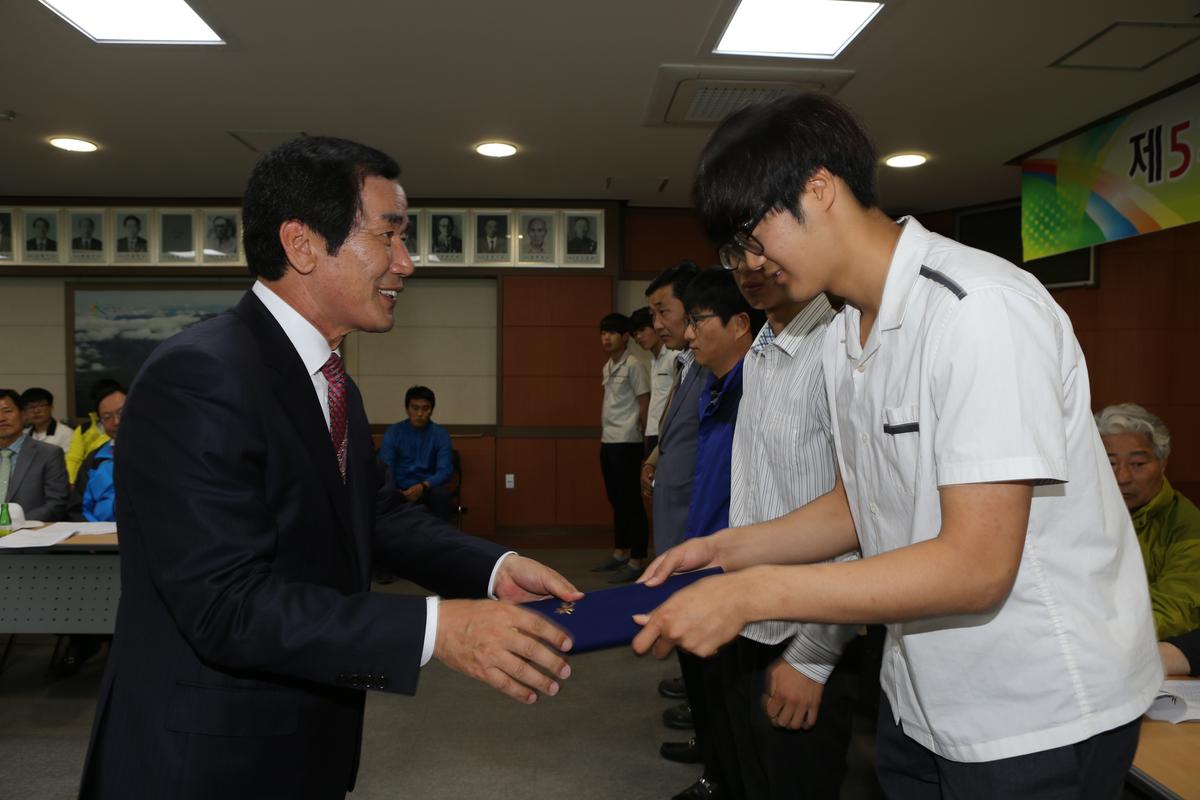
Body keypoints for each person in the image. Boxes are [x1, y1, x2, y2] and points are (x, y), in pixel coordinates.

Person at [633, 92, 1159, 799]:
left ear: (819, 188)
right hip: (922, 694)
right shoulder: (842, 333)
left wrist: (756, 591)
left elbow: (978, 566)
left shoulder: (978, 309)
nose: (750, 264)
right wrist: (726, 550)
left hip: (1037, 707)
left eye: (752, 237)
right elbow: (861, 504)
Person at [76, 136, 581, 800]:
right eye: (389, 236)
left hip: (301, 731)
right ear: (302, 244)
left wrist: (493, 569)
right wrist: (439, 629)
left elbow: (374, 513)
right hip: (206, 756)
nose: (406, 262)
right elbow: (226, 604)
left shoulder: (329, 378)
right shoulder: (199, 376)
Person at [720, 240, 860, 799]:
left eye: (762, 247)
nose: (748, 267)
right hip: (749, 617)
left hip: (810, 629)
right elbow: (758, 491)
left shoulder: (841, 346)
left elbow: (863, 514)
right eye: (734, 251)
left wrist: (815, 655)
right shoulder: (759, 350)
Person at [637, 262, 721, 798]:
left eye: (663, 311)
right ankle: (703, 729)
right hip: (674, 523)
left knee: (707, 652)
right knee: (691, 648)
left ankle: (713, 756)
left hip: (697, 528)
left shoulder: (715, 368)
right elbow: (676, 432)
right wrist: (655, 454)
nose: (658, 323)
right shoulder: (685, 362)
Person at [1096, 403, 1200, 639]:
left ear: (1162, 465)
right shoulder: (1074, 514)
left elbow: (1177, 608)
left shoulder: (1187, 525)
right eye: (1109, 464)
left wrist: (1100, 636)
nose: (1122, 477)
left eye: (1138, 464)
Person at [593, 312, 651, 584]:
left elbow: (644, 403)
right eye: (603, 333)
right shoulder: (608, 366)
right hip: (609, 440)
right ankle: (620, 552)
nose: (606, 338)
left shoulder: (634, 365)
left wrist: (645, 442)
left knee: (631, 502)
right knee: (616, 499)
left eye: (612, 333)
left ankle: (637, 559)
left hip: (628, 441)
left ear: (625, 337)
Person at [378, 385, 456, 522]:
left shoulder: (441, 435)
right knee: (383, 494)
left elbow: (445, 471)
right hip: (399, 487)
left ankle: (440, 534)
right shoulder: (394, 432)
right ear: (407, 409)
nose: (420, 414)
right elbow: (386, 468)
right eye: (415, 408)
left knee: (442, 495)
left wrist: (423, 486)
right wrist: (397, 490)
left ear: (432, 410)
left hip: (427, 487)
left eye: (425, 408)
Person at [0, 388, 68, 522]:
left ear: (23, 414)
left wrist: (15, 524)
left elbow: (56, 503)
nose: (1, 418)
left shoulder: (49, 454)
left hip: (30, 530)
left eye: (7, 411)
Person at [69, 384, 124, 523]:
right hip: (100, 532)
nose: (116, 422)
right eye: (107, 417)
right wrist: (96, 531)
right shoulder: (94, 459)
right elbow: (77, 508)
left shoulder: (159, 453)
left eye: (121, 413)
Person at [630, 306, 674, 456]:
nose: (638, 337)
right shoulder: (653, 361)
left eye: (642, 330)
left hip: (669, 432)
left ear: (655, 326)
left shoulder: (673, 356)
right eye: (635, 334)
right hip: (652, 432)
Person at [65, 378, 121, 484]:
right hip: (90, 478)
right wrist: (71, 483)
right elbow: (73, 459)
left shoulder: (130, 427)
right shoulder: (83, 430)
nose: (116, 422)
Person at [21, 387, 74, 452]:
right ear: (24, 411)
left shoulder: (66, 433)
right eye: (30, 407)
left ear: (51, 407)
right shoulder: (24, 434)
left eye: (41, 405)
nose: (36, 411)